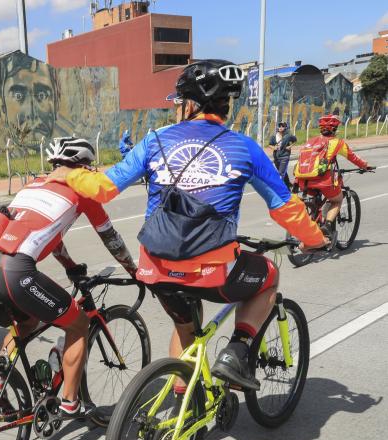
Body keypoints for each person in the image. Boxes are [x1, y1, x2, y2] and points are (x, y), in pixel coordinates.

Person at [56, 60, 328, 391]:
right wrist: (315, 240)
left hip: (156, 267)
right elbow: (285, 209)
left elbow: (103, 188)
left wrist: (67, 173)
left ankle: (182, 407)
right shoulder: (244, 147)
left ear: (190, 104)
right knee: (269, 276)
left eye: (178, 102)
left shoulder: (155, 140)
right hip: (213, 272)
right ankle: (237, 351)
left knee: (185, 327)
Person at [0, 137, 137, 417]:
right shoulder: (81, 189)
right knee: (79, 325)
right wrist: (133, 269)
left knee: (27, 321)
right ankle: (70, 403)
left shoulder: (34, 184)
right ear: (83, 166)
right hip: (14, 272)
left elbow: (47, 234)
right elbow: (111, 237)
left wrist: (69, 264)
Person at [294, 114, 373, 245]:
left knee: (316, 201)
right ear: (335, 129)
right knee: (337, 200)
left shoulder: (310, 141)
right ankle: (327, 225)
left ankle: (313, 221)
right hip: (323, 180)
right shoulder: (337, 142)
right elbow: (353, 157)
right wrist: (365, 166)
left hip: (303, 181)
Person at [268, 121, 296, 188]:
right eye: (280, 126)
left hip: (285, 156)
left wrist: (290, 146)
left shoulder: (288, 135)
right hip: (276, 157)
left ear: (285, 127)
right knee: (283, 172)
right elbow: (270, 144)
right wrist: (274, 147)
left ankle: (280, 188)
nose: (281, 127)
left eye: (282, 126)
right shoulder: (274, 136)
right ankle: (288, 184)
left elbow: (295, 140)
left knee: (280, 173)